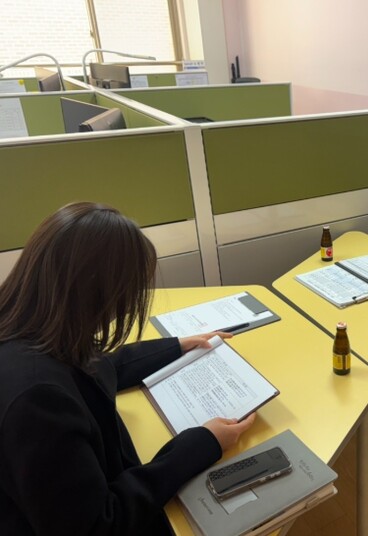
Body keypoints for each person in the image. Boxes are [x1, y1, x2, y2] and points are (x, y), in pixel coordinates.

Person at [0, 202, 256, 535]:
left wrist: (175, 346)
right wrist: (202, 444)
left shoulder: (28, 330)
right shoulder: (38, 402)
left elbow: (95, 365)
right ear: (96, 293)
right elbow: (98, 526)